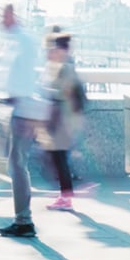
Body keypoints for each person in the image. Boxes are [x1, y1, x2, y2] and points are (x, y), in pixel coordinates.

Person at [0, 4, 50, 238]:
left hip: (25, 110)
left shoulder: (23, 41)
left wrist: (13, 94)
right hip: (21, 108)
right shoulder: (18, 41)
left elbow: (22, 76)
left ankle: (24, 220)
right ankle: (23, 218)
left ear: (12, 17)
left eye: (4, 16)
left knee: (17, 164)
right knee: (16, 162)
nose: (1, 20)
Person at [37, 32, 94, 212]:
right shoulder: (57, 65)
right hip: (58, 118)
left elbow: (63, 94)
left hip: (63, 119)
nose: (51, 51)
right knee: (56, 156)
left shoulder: (66, 68)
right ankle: (66, 194)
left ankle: (66, 196)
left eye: (54, 48)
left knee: (59, 157)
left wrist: (47, 92)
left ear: (62, 50)